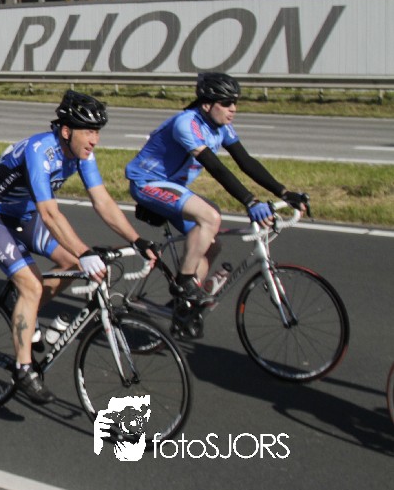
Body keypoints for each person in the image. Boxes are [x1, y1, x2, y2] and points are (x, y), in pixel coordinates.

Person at [0, 90, 157, 405]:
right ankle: (23, 368)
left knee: (72, 264)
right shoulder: (40, 151)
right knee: (32, 285)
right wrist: (85, 251)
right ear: (67, 131)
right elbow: (50, 213)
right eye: (89, 131)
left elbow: (102, 201)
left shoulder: (82, 155)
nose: (95, 140)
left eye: (97, 132)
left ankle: (24, 310)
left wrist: (136, 239)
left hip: (24, 215)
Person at [126, 72, 309, 330]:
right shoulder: (186, 124)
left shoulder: (220, 126)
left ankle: (182, 309)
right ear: (206, 105)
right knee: (210, 217)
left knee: (212, 245)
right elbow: (216, 167)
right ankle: (184, 283)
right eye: (226, 103)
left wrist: (285, 193)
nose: (233, 108)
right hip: (147, 183)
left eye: (235, 102)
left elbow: (245, 162)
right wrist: (250, 201)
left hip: (173, 186)